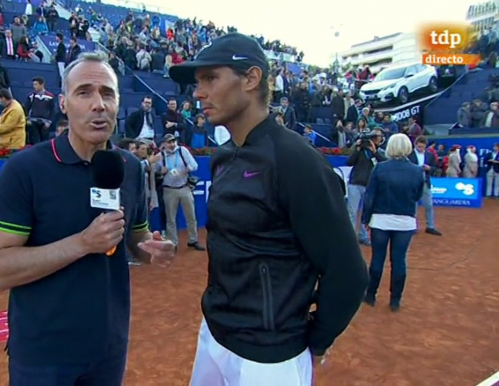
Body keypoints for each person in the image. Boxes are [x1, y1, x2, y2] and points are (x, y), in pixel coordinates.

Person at [168, 33, 368, 385]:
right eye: (197, 83)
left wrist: (318, 340)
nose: (198, 93)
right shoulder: (223, 156)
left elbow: (348, 273)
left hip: (270, 358)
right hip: (214, 334)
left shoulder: (297, 161)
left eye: (211, 78)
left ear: (251, 78)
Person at [0, 52, 176, 386]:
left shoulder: (129, 167)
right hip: (43, 355)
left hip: (109, 348)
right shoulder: (25, 170)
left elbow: (137, 239)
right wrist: (83, 243)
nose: (98, 104)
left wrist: (153, 249)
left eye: (108, 93)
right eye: (84, 92)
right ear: (63, 103)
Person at [361, 133, 424, 312]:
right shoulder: (417, 171)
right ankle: (395, 300)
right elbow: (418, 195)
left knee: (377, 259)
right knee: (399, 261)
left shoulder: (380, 169)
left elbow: (370, 196)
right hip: (405, 222)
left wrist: (366, 218)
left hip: (381, 220)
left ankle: (370, 295)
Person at [345, 129, 386, 246]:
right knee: (352, 211)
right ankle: (351, 238)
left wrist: (374, 151)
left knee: (366, 212)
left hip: (369, 185)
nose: (376, 138)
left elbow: (383, 163)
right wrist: (357, 149)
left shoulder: (379, 152)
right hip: (355, 183)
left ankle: (363, 236)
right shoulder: (361, 150)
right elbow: (349, 162)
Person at [407, 136, 442, 236]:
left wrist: (429, 168)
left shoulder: (430, 155)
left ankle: (430, 226)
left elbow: (435, 168)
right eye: (419, 146)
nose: (421, 148)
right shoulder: (409, 154)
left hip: (425, 181)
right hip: (412, 182)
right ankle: (412, 226)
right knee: (413, 205)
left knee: (429, 205)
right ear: (415, 145)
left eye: (422, 147)